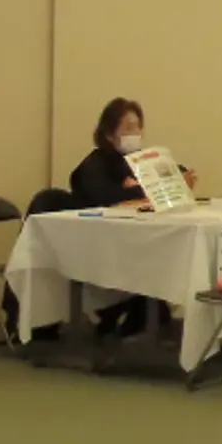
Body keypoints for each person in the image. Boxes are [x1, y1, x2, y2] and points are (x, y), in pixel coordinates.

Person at [68, 97, 154, 337]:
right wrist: (141, 191)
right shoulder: (95, 163)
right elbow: (102, 196)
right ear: (108, 134)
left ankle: (145, 315)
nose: (135, 133)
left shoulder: (138, 162)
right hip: (98, 243)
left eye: (138, 127)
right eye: (128, 128)